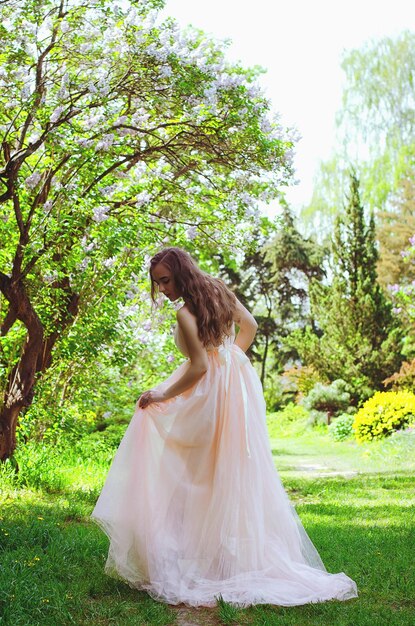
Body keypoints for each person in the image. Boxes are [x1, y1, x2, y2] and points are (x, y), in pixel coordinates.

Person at [90, 246, 358, 608]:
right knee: (224, 468)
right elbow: (249, 327)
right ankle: (216, 556)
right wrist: (231, 359)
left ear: (182, 273)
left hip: (209, 393)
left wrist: (161, 393)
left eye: (166, 280)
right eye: (158, 283)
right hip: (234, 390)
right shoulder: (219, 290)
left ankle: (195, 557)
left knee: (190, 471)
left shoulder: (186, 312)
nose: (164, 289)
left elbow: (199, 367)